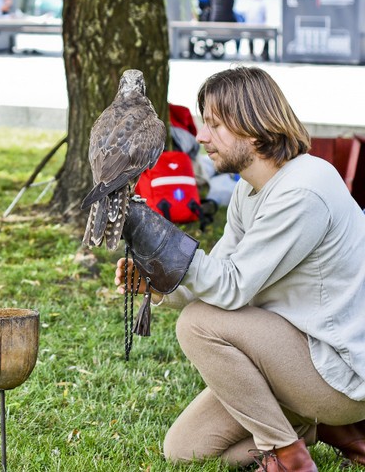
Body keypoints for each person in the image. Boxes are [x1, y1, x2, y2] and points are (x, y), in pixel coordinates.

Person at [115, 66, 365, 470]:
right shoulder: (250, 191)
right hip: (298, 357)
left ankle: (287, 454)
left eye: (214, 125)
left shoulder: (304, 189)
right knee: (185, 448)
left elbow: (231, 288)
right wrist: (157, 283)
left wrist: (168, 246)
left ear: (253, 127)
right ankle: (321, 429)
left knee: (198, 324)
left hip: (341, 372)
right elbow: (216, 274)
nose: (200, 137)